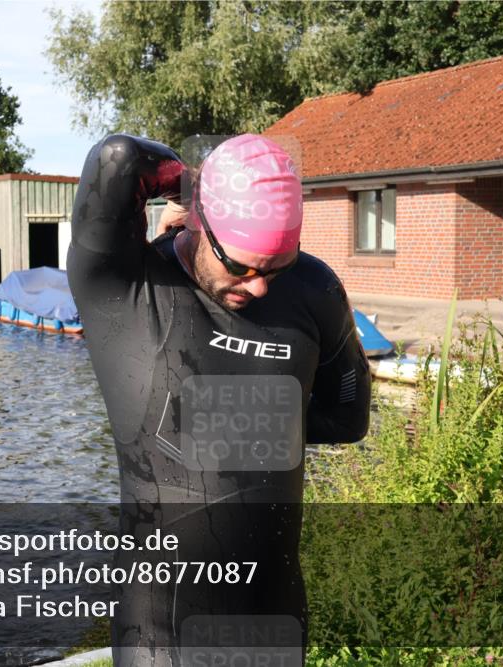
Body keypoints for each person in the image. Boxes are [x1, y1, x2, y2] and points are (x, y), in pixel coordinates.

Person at [68, 134, 371, 665]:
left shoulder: (314, 289)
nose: (259, 289)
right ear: (199, 223)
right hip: (159, 636)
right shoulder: (127, 286)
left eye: (276, 268)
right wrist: (189, 181)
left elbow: (348, 417)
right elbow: (116, 159)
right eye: (240, 267)